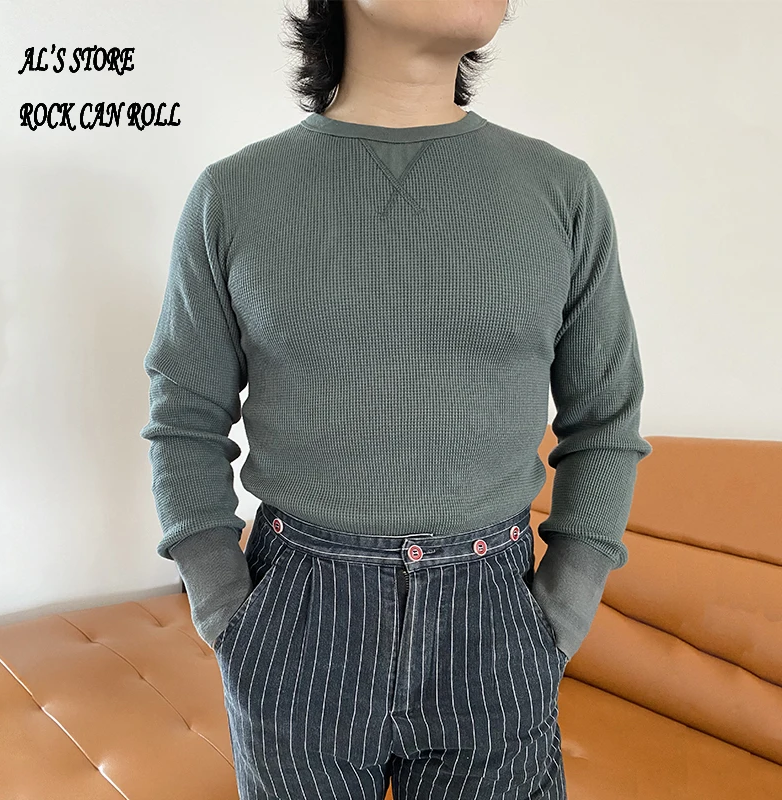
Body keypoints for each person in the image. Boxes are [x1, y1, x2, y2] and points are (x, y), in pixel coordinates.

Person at [139, 1, 652, 797]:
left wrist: (565, 608)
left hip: (496, 618)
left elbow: (605, 419)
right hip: (296, 616)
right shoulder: (232, 195)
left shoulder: (562, 193)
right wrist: (224, 609)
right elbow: (184, 415)